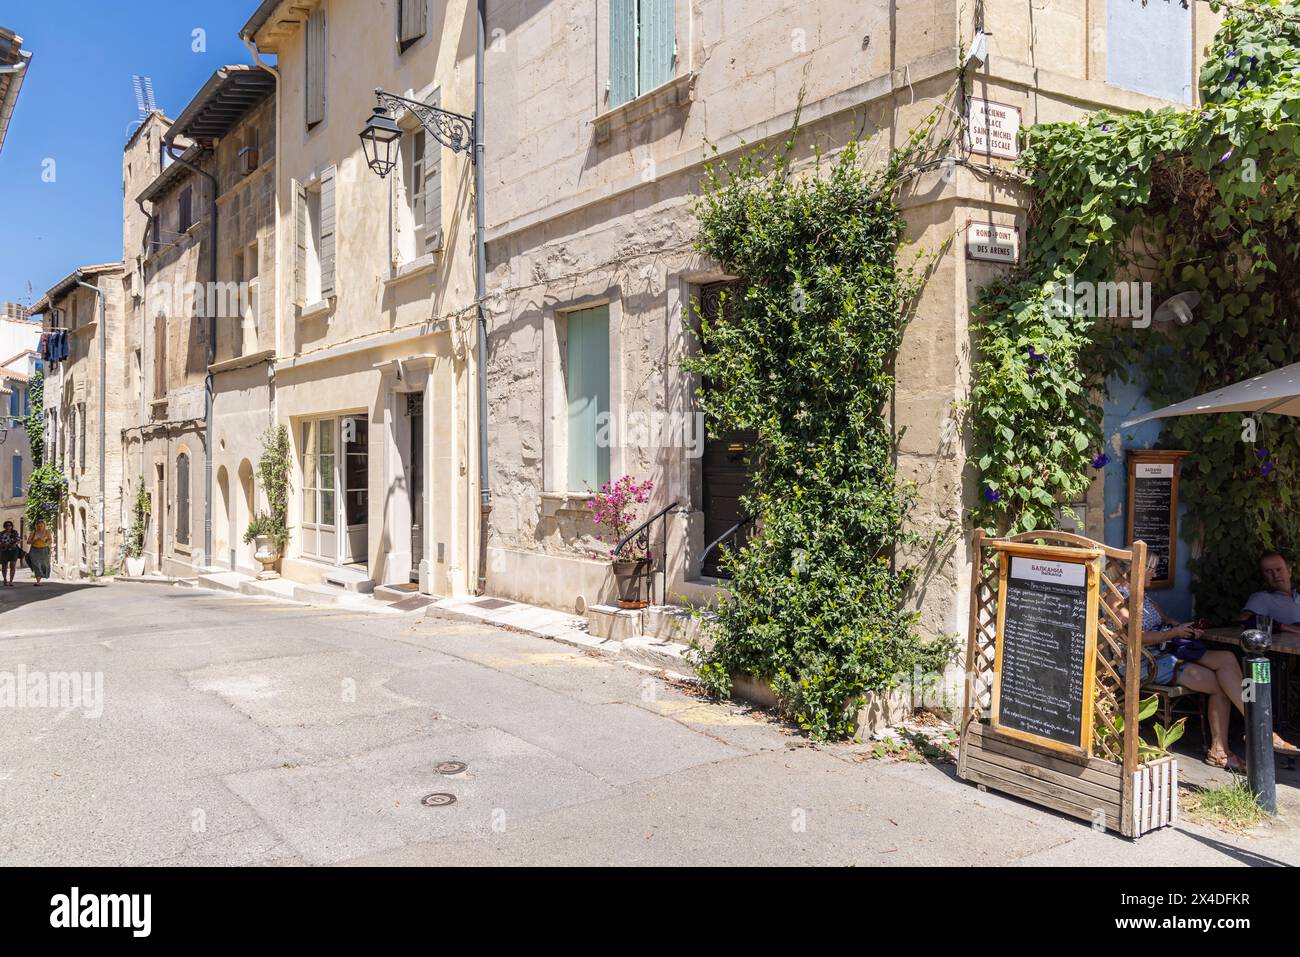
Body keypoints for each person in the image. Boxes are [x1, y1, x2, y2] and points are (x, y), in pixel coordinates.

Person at [1120, 555, 1279, 770]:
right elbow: (1136, 637)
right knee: (1219, 684)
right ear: (1136, 569)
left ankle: (1256, 726)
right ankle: (1243, 738)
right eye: (1151, 569)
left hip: (1166, 651)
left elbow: (1167, 621)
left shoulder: (1144, 598)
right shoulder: (1117, 598)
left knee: (1227, 658)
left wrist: (1187, 628)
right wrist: (1174, 632)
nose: (1155, 573)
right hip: (1145, 662)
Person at [1241, 551, 1300, 634]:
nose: (1275, 575)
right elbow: (1244, 619)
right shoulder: (1262, 598)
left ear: (1289, 571)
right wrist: (1285, 627)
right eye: (1268, 571)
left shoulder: (1298, 598)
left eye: (1279, 569)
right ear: (1264, 576)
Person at [26, 520, 51, 585]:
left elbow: (50, 540)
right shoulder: (33, 532)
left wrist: (44, 540)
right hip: (34, 550)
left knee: (44, 564)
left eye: (41, 526)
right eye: (38, 526)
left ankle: (42, 575)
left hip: (44, 549)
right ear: (36, 526)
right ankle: (38, 581)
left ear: (44, 526)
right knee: (36, 565)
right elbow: (28, 542)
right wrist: (34, 540)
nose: (40, 527)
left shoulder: (47, 532)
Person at [0, 521, 20, 586]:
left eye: (9, 525)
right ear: (4, 527)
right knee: (4, 566)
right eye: (6, 525)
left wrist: (15, 543)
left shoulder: (15, 532)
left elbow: (18, 540)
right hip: (4, 551)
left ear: (11, 526)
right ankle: (5, 579)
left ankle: (11, 581)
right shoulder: (1, 533)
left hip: (13, 550)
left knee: (13, 565)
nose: (8, 527)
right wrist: (3, 545)